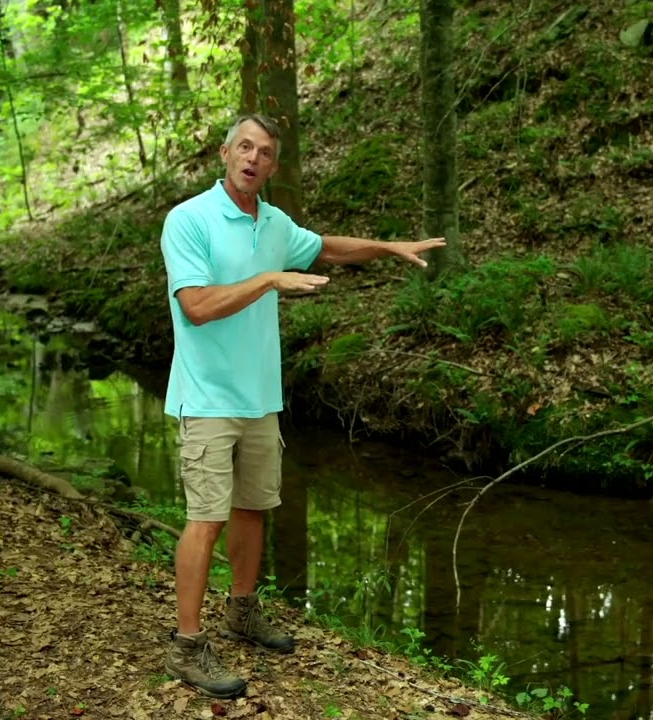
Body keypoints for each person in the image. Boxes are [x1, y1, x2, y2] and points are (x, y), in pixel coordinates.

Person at [159, 113, 445, 698]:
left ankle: (242, 611)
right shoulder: (188, 220)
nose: (253, 158)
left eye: (264, 152)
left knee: (252, 509)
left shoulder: (274, 222)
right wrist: (268, 281)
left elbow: (326, 249)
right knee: (206, 518)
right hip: (206, 395)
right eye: (244, 146)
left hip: (260, 397)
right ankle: (186, 646)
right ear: (224, 153)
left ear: (273, 166)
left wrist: (386, 247)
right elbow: (196, 306)